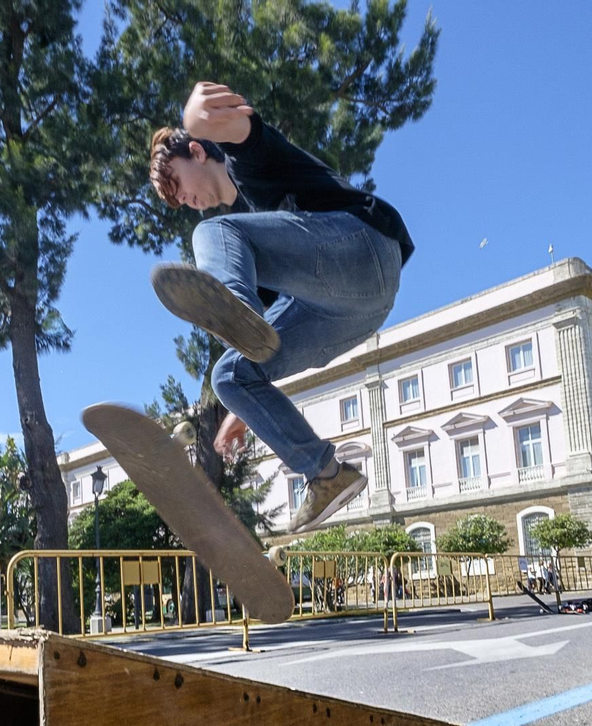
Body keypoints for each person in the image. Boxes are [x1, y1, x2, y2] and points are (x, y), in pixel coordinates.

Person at [147, 82, 414, 533]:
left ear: (196, 152)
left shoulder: (247, 160)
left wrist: (194, 118)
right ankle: (327, 475)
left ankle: (234, 299)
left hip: (366, 249)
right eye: (174, 202)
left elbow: (234, 126)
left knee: (210, 236)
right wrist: (246, 407)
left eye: (177, 185)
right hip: (354, 314)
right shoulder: (251, 249)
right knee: (230, 376)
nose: (184, 201)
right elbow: (267, 331)